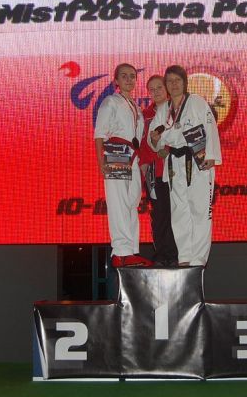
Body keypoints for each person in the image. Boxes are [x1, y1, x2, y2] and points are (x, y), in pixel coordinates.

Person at [148, 65, 222, 266]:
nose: (173, 84)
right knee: (179, 211)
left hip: (198, 160)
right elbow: (153, 139)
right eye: (169, 81)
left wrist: (212, 155)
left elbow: (210, 127)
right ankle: (184, 257)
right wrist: (155, 140)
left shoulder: (197, 102)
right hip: (175, 163)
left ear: (185, 83)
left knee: (200, 210)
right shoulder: (163, 109)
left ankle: (198, 259)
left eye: (177, 80)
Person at [94, 63, 152, 268]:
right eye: (124, 76)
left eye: (132, 76)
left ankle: (131, 250)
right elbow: (99, 134)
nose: (129, 79)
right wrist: (101, 162)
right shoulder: (110, 101)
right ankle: (120, 252)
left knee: (132, 202)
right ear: (116, 81)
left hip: (134, 155)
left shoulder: (136, 106)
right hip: (116, 151)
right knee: (118, 202)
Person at [139, 75, 178, 266]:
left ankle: (179, 254)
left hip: (177, 171)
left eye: (159, 87)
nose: (156, 92)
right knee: (160, 214)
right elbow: (142, 145)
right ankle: (163, 255)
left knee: (177, 213)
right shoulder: (145, 115)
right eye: (152, 89)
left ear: (167, 88)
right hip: (155, 172)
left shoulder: (177, 109)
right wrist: (144, 168)